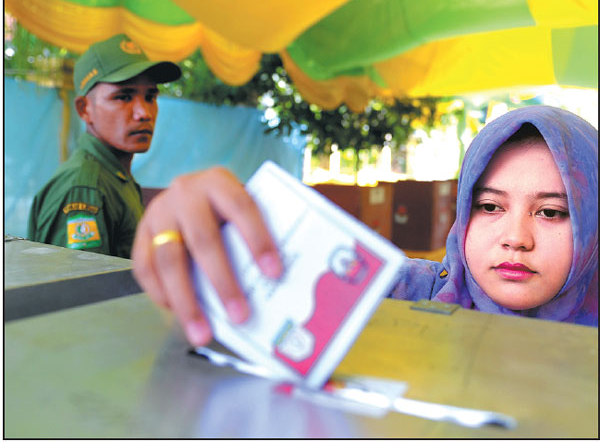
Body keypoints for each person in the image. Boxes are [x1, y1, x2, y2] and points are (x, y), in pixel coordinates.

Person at [131, 105, 598, 346]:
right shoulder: (401, 294)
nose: (516, 237)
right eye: (490, 207)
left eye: (551, 212)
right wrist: (204, 233)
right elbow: (277, 284)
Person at [27, 34, 181, 258]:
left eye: (150, 96)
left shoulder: (116, 176)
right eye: (123, 97)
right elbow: (77, 289)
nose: (144, 113)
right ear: (84, 109)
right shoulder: (84, 189)